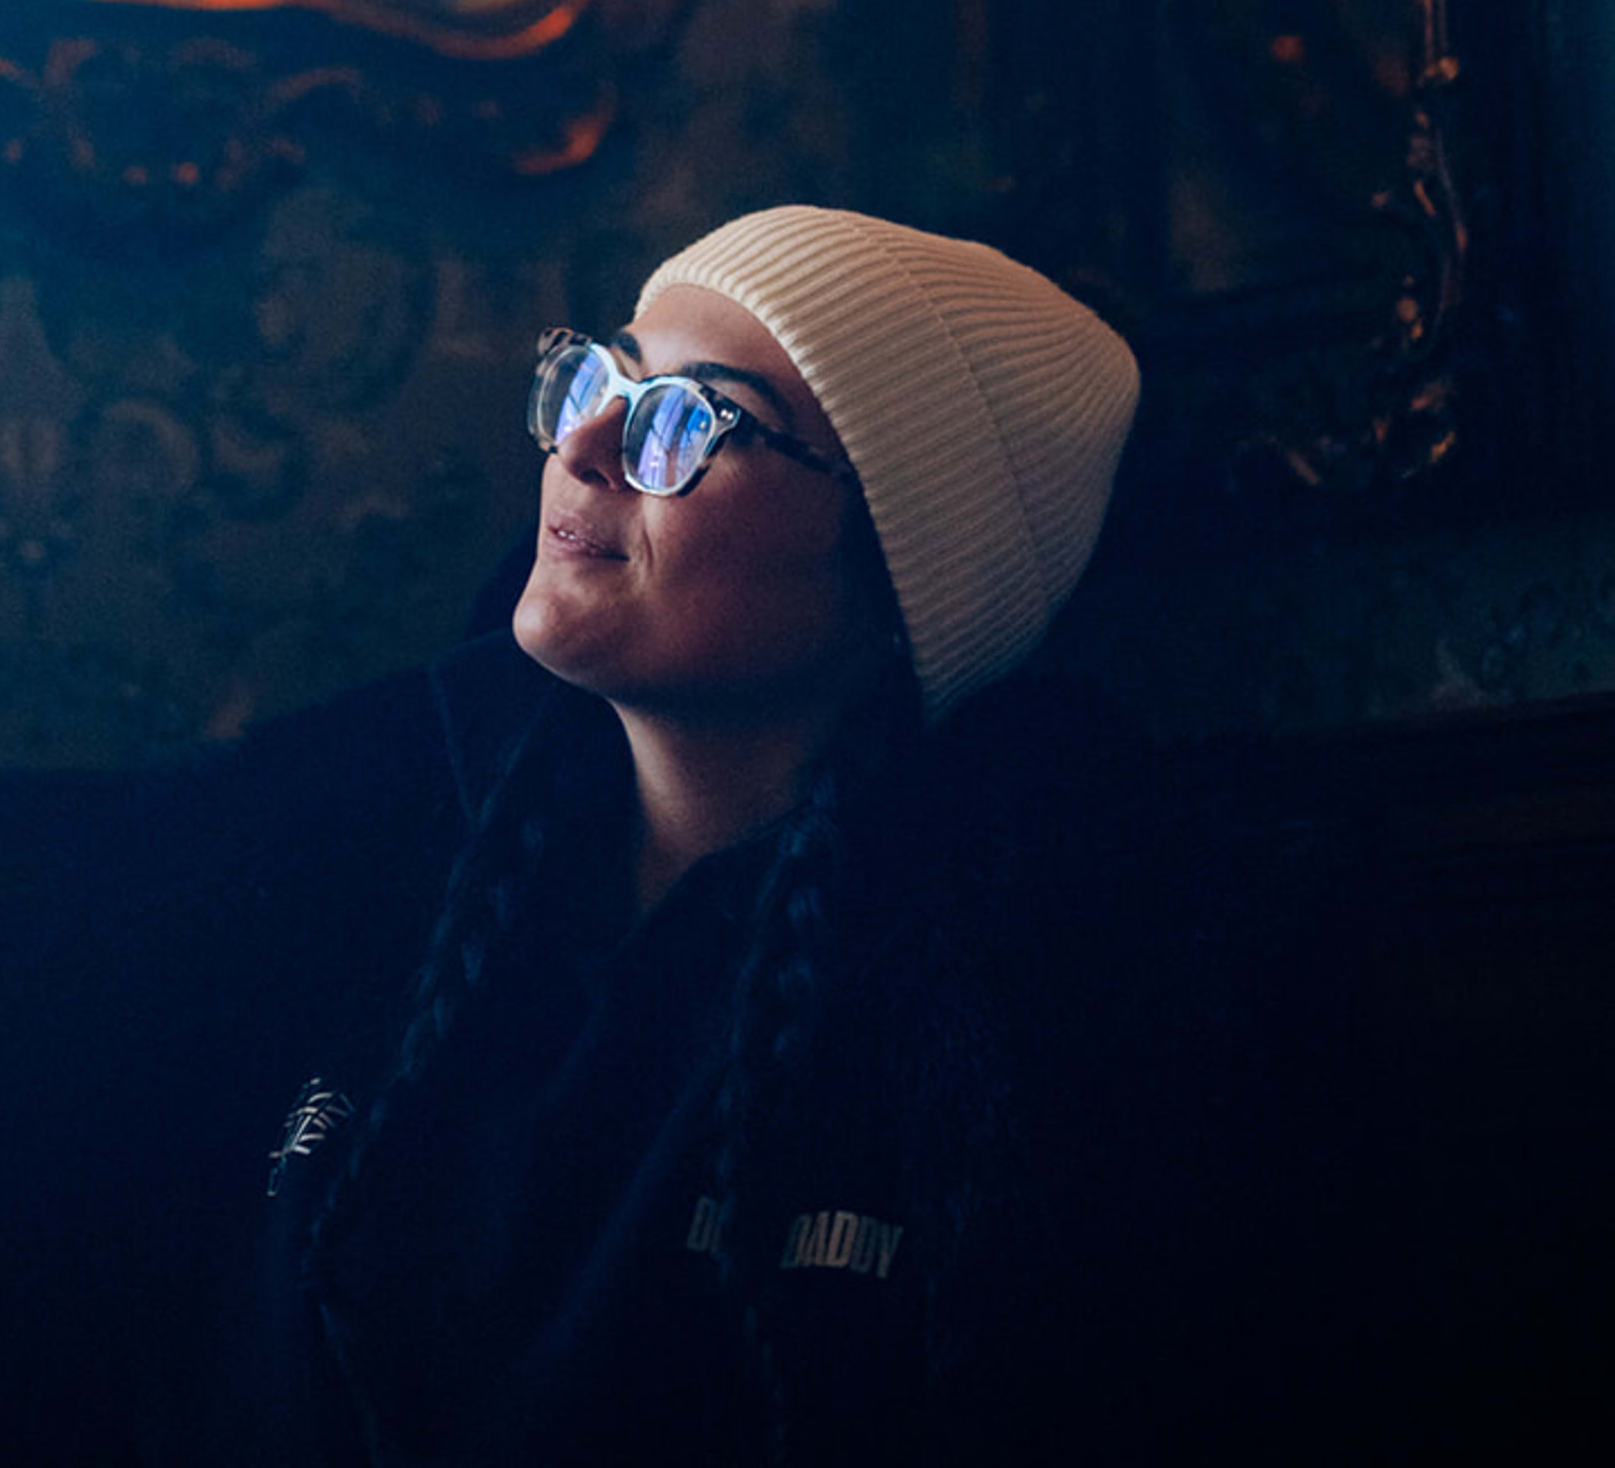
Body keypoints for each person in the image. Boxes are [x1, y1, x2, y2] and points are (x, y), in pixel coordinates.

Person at [71, 206, 1267, 1468]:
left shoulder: (1026, 1017)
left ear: (904, 564)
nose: (582, 443)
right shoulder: (348, 848)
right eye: (602, 377)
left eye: (696, 419)